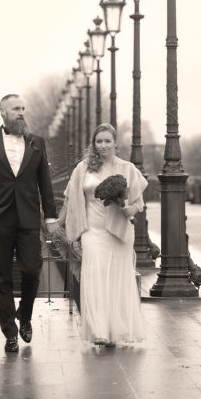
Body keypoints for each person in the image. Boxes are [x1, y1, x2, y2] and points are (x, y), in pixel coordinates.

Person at [0, 94, 58, 353]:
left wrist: (50, 216)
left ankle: (25, 316)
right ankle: (10, 333)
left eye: (23, 108)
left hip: (29, 216)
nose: (21, 112)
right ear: (2, 112)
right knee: (2, 275)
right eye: (15, 109)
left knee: (32, 269)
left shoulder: (36, 142)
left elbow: (46, 183)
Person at [57, 123, 147, 346]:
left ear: (115, 143)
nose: (103, 145)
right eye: (99, 141)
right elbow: (70, 199)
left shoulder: (127, 168)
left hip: (118, 233)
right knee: (94, 278)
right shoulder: (83, 168)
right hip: (92, 231)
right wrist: (56, 223)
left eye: (107, 141)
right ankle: (99, 331)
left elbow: (139, 202)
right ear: (93, 143)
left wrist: (130, 209)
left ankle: (117, 330)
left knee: (117, 280)